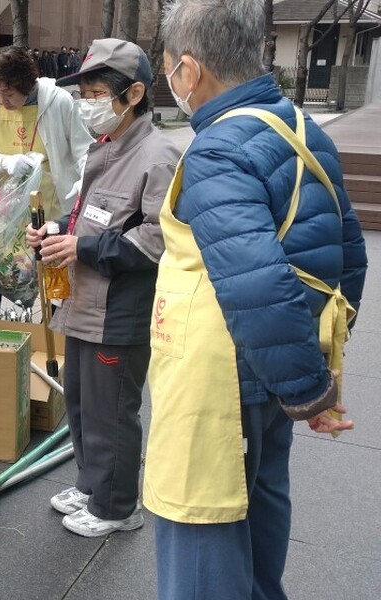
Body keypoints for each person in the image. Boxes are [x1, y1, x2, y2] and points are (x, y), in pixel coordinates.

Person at [145, 1, 368, 598]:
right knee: (260, 521)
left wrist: (306, 390)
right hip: (271, 376)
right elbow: (348, 255)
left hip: (218, 381)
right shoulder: (296, 124)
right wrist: (315, 379)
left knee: (204, 534)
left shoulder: (218, 149)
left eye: (167, 68)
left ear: (189, 71)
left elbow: (254, 281)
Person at [25, 38, 180, 537]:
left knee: (113, 411)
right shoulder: (107, 147)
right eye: (84, 94)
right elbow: (88, 217)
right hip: (85, 304)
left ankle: (117, 507)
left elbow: (159, 238)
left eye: (95, 95)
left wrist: (83, 250)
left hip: (121, 310)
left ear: (133, 94)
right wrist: (55, 234)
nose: (86, 105)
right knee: (82, 403)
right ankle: (93, 483)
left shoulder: (159, 156)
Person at [0, 46, 93, 318]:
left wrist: (83, 182)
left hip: (49, 208)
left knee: (54, 278)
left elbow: (84, 149)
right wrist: (5, 162)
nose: (1, 100)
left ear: (27, 84)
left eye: (8, 93)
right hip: (4, 207)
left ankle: (54, 336)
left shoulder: (58, 101)